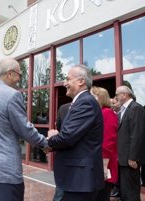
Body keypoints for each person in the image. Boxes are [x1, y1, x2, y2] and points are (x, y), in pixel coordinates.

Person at [0, 58, 49, 201]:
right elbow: (25, 129)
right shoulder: (13, 95)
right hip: (5, 173)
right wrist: (46, 143)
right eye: (19, 75)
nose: (19, 79)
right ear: (9, 73)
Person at [47, 65, 105, 201]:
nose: (64, 83)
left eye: (67, 79)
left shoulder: (85, 102)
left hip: (80, 179)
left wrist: (52, 139)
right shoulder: (81, 102)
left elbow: (67, 137)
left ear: (81, 81)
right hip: (77, 179)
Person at [115, 86, 145, 201]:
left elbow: (137, 135)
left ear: (124, 94)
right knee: (126, 190)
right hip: (124, 158)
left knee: (130, 192)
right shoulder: (126, 108)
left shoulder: (135, 108)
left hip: (130, 160)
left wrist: (133, 157)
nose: (116, 97)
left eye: (117, 95)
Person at [90, 87, 118, 201]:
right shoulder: (96, 113)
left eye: (93, 96)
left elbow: (108, 140)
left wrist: (104, 166)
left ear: (101, 98)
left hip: (102, 163)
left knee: (101, 196)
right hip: (94, 162)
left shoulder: (108, 113)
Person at [52, 102, 71, 201]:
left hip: (63, 152)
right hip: (75, 155)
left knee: (60, 188)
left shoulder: (63, 107)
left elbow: (58, 126)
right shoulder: (88, 106)